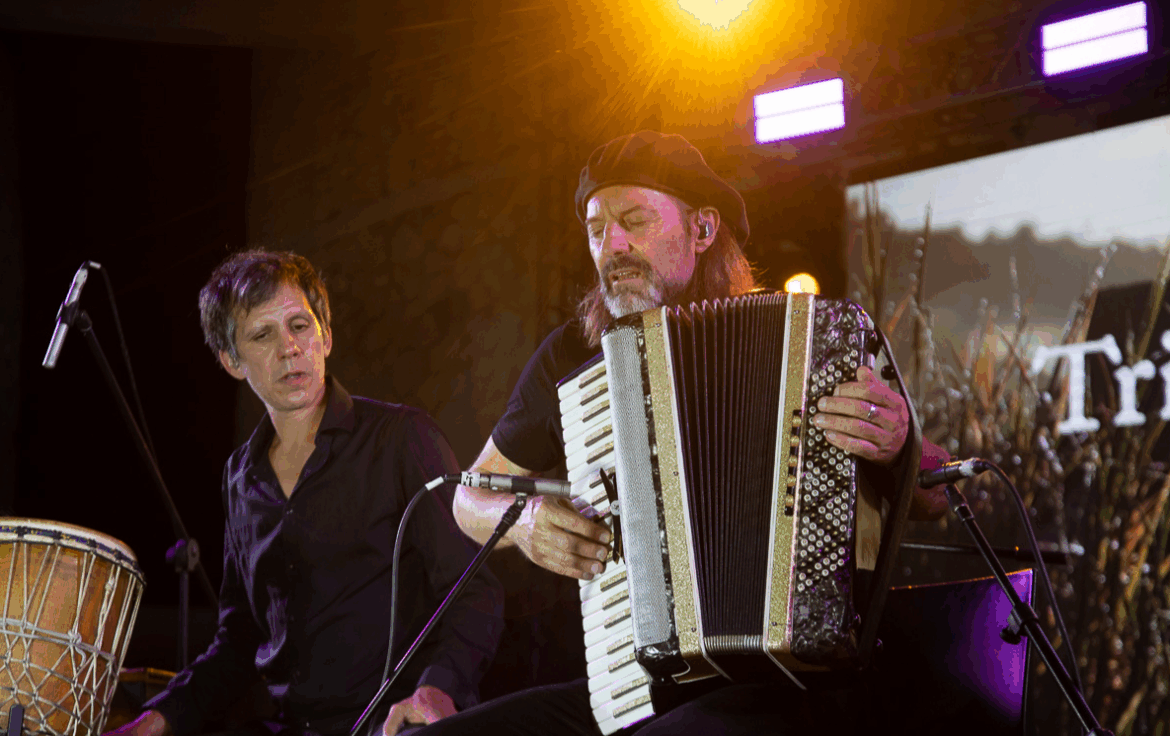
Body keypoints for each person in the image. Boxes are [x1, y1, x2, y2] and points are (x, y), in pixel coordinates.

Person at [420, 131, 952, 735]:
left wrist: (902, 445)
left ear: (702, 231)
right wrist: (529, 524)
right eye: (596, 230)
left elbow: (940, 496)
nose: (611, 245)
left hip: (782, 689)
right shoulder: (571, 355)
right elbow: (468, 499)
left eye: (634, 220)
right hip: (633, 685)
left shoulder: (808, 345)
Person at [108, 251, 503, 736]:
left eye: (299, 325)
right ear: (231, 361)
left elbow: (474, 590)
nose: (289, 347)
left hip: (397, 724)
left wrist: (440, 685)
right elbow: (240, 638)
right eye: (262, 335)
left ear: (326, 336)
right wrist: (160, 718)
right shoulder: (240, 478)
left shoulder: (402, 439)